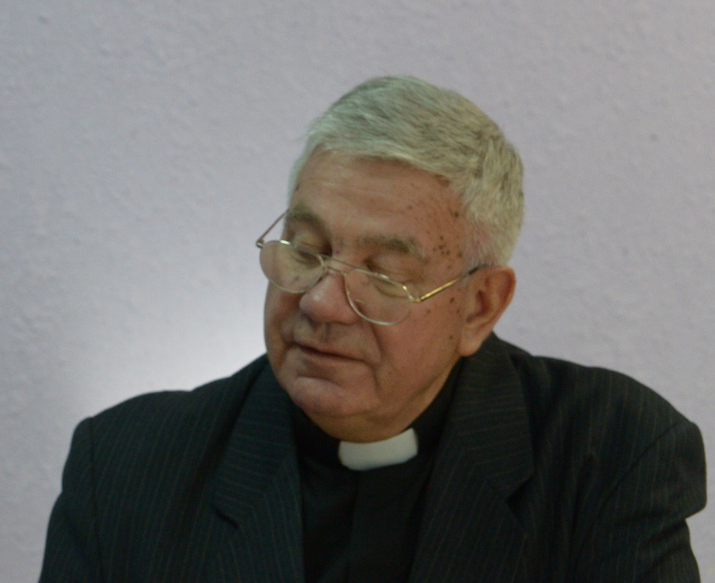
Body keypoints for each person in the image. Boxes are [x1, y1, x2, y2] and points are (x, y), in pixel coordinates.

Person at [38, 75, 706, 583]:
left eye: (384, 275)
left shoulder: (606, 458)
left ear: (479, 307)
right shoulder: (126, 470)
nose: (323, 303)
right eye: (305, 248)